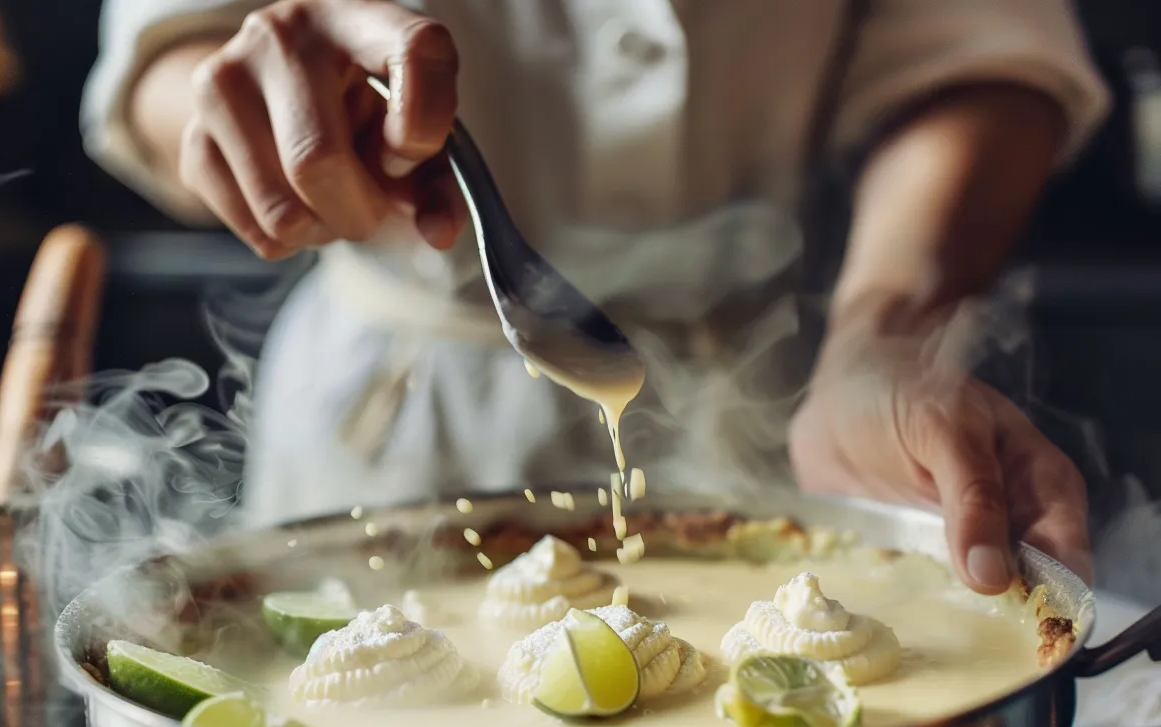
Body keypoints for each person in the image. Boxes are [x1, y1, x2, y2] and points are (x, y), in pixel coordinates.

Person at [82, 0, 1108, 594]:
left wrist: (882, 335)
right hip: (384, 432)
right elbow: (168, 52)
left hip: (783, 409)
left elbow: (979, 54)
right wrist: (257, 119)